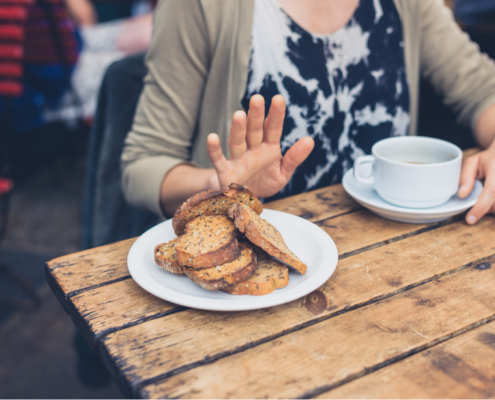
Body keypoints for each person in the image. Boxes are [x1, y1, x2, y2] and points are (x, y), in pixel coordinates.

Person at [121, 0, 495, 225]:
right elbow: (142, 166)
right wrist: (218, 187)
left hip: (389, 262)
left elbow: (482, 90)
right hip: (252, 279)